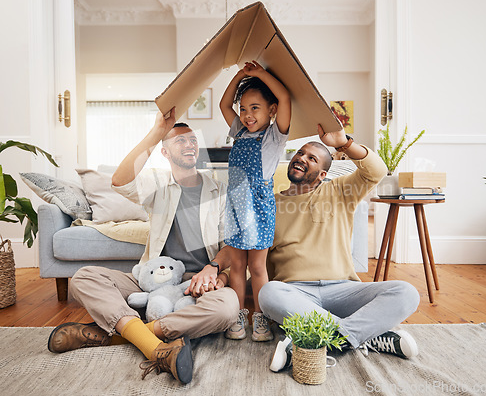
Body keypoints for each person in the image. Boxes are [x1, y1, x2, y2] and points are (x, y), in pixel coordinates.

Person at [47, 108, 239, 384]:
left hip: (196, 284)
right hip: (152, 279)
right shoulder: (157, 183)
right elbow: (120, 181)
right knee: (83, 277)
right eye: (180, 141)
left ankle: (120, 335)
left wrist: (215, 271)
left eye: (193, 140)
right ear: (165, 152)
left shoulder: (218, 191)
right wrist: (157, 132)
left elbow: (231, 245)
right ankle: (156, 347)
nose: (189, 145)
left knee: (227, 309)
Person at [259, 124, 421, 372]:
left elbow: (376, 171)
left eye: (311, 158)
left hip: (345, 290)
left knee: (407, 292)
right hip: (297, 294)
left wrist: (343, 143)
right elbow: (262, 264)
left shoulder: (340, 191)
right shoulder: (270, 204)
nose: (301, 159)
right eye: (300, 154)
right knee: (269, 293)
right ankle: (368, 336)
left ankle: (311, 341)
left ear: (323, 174)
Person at [219, 60, 291, 342]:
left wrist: (259, 74)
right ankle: (237, 316)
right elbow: (225, 105)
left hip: (260, 208)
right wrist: (239, 75)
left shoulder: (274, 137)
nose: (248, 115)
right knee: (236, 266)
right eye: (244, 109)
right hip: (235, 207)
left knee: (257, 267)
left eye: (255, 108)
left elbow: (284, 96)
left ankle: (260, 318)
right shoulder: (238, 131)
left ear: (271, 111)